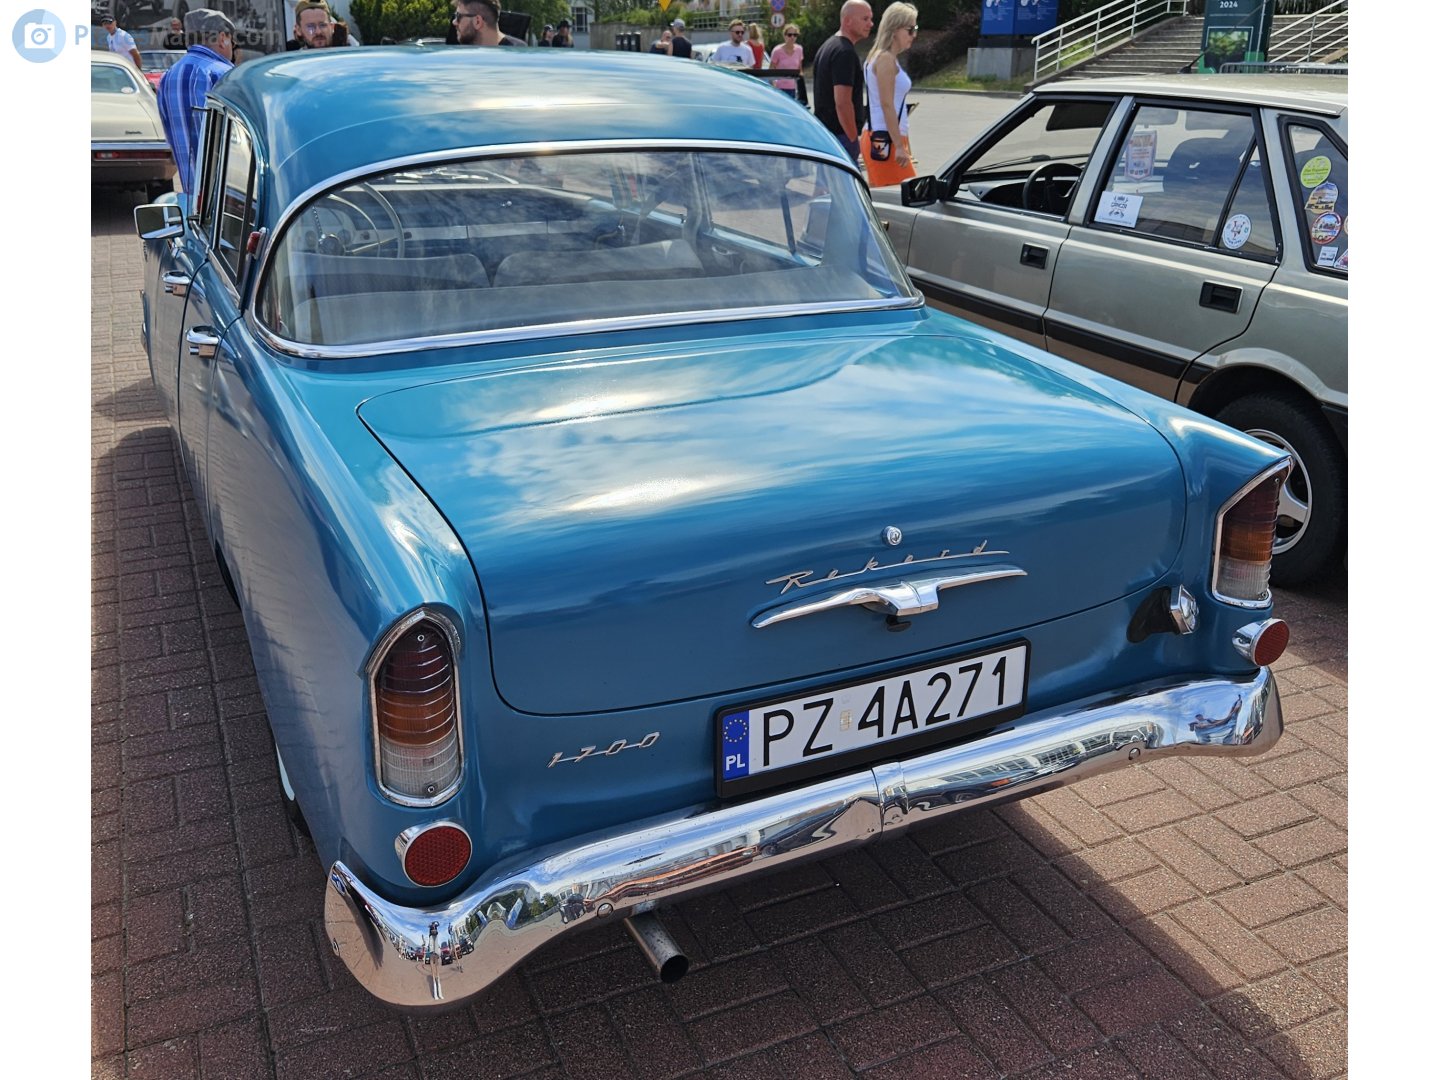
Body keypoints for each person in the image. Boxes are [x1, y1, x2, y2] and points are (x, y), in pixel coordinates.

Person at [157, 9, 235, 194]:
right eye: (232, 40)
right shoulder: (225, 74)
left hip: (192, 199)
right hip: (231, 202)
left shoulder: (168, 77)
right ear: (222, 37)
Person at [861, 3, 918, 187]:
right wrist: (899, 146)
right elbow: (887, 105)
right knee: (904, 200)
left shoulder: (882, 57)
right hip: (886, 139)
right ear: (894, 29)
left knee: (891, 203)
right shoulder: (885, 58)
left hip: (887, 137)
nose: (914, 35)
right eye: (910, 29)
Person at [812, 0, 872, 166]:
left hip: (827, 134)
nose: (870, 24)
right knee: (846, 189)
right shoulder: (844, 53)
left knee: (826, 186)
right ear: (847, 20)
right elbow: (843, 102)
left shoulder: (828, 46)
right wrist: (853, 138)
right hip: (840, 137)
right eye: (865, 19)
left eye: (871, 19)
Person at [452, 0, 525, 46]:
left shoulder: (517, 56)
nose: (454, 22)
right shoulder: (463, 55)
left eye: (458, 16)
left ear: (477, 21)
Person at [769, 23, 803, 98]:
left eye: (795, 35)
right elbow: (771, 70)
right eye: (790, 35)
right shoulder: (777, 50)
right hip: (779, 88)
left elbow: (800, 70)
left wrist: (800, 89)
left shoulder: (799, 49)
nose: (792, 37)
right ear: (784, 36)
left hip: (793, 88)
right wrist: (773, 86)